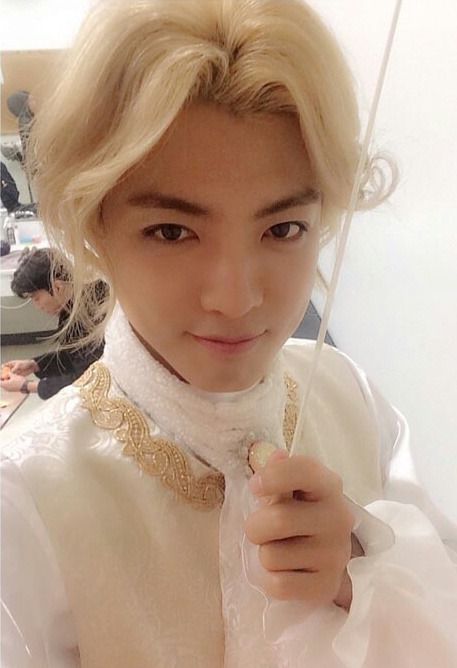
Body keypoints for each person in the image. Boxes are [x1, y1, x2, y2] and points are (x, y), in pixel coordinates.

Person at [1, 1, 457, 666]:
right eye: (171, 231)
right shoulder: (29, 500)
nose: (236, 300)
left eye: (282, 229)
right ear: (95, 226)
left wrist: (358, 577)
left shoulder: (349, 396)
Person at [1, 248, 107, 400]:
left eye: (36, 298)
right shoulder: (76, 304)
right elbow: (75, 355)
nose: (37, 306)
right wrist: (34, 365)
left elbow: (88, 379)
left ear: (58, 287)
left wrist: (27, 386)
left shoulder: (92, 314)